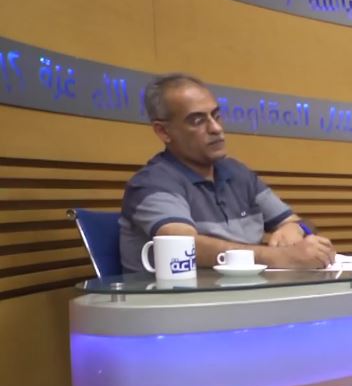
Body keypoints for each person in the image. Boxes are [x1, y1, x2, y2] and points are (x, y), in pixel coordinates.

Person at [119, 74, 336, 272]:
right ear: (163, 131)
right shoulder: (152, 183)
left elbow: (300, 222)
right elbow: (183, 246)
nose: (216, 128)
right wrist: (280, 257)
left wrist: (296, 228)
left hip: (246, 294)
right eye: (197, 120)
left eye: (216, 115)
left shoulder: (238, 173)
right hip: (180, 300)